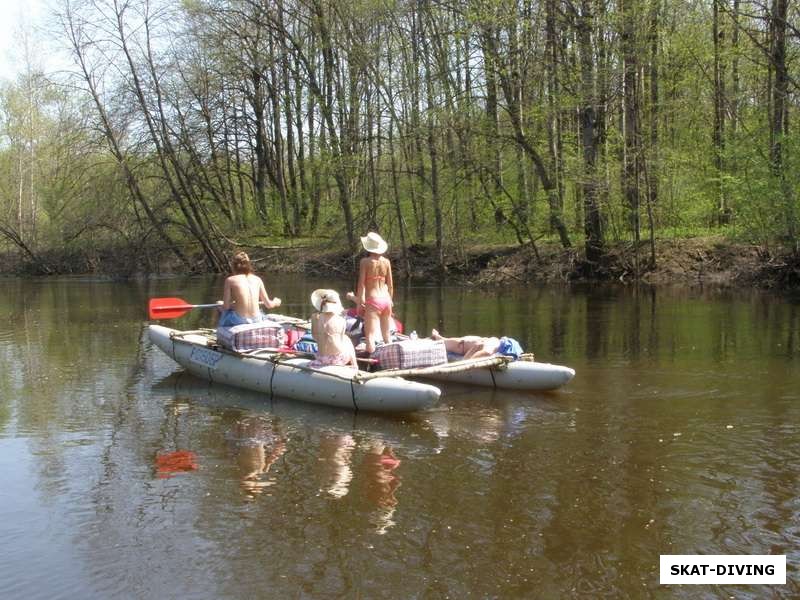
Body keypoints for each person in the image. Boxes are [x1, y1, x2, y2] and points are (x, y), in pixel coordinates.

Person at [218, 251, 281, 327]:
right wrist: (276, 302)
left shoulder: (230, 280)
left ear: (234, 266)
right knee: (260, 313)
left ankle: (221, 331)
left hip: (239, 320)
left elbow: (226, 307)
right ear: (248, 264)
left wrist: (222, 304)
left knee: (220, 307)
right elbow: (269, 305)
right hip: (256, 319)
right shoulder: (257, 279)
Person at [356, 232, 394, 353]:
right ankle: (391, 358)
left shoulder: (365, 262)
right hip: (386, 299)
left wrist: (359, 303)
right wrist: (391, 301)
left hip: (373, 300)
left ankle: (370, 365)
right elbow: (391, 285)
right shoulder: (386, 262)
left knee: (370, 337)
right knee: (387, 336)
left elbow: (361, 284)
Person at [309, 289, 358, 369]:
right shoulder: (341, 320)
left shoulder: (315, 317)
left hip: (321, 358)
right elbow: (341, 339)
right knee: (346, 339)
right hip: (338, 359)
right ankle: (354, 364)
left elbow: (315, 337)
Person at [430, 329, 525, 360]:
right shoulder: (494, 342)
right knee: (441, 341)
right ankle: (437, 337)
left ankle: (438, 337)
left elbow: (466, 360)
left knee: (441, 343)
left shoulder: (493, 345)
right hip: (462, 343)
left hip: (461, 345)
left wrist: (474, 349)